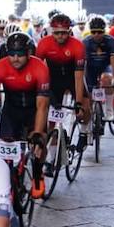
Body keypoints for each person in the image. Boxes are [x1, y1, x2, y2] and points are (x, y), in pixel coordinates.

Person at [0, 31, 51, 198]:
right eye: (11, 54)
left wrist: (38, 133)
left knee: (38, 143)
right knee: (6, 147)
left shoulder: (40, 67)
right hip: (11, 110)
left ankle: (38, 173)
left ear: (28, 53)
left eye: (20, 54)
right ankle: (9, 179)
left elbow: (42, 105)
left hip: (34, 109)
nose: (15, 58)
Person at [35, 13, 89, 143]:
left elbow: (78, 76)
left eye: (64, 33)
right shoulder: (44, 44)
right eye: (57, 33)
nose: (60, 36)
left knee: (86, 106)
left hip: (72, 77)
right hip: (54, 80)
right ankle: (52, 152)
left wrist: (79, 102)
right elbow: (36, 68)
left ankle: (84, 131)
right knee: (52, 120)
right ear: (52, 31)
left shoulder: (78, 46)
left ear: (69, 31)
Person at [82, 16, 114, 128]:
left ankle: (109, 109)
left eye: (100, 32)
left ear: (104, 31)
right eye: (93, 32)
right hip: (91, 68)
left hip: (105, 66)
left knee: (106, 78)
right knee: (89, 97)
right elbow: (83, 65)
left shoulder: (111, 41)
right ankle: (87, 125)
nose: (96, 35)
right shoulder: (86, 42)